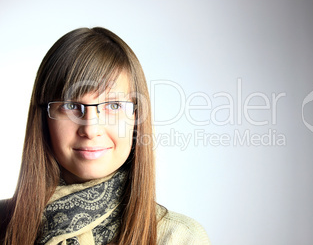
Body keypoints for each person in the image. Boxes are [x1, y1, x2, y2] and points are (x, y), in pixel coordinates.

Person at [0, 27, 210, 245]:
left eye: (113, 105)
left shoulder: (179, 238)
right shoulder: (3, 224)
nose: (90, 129)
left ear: (137, 118)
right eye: (71, 105)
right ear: (44, 118)